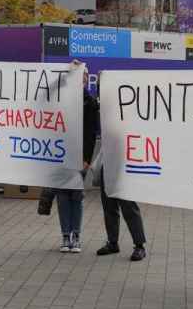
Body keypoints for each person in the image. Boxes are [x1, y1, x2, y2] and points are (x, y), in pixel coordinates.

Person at [94, 83, 148, 262]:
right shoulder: (101, 110)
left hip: (125, 166)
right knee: (109, 206)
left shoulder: (128, 112)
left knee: (128, 206)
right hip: (107, 163)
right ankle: (112, 242)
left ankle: (139, 245)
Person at [54, 76, 97, 253]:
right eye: (76, 79)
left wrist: (87, 158)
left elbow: (91, 133)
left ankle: (76, 235)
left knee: (76, 196)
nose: (80, 82)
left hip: (79, 156)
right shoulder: (61, 98)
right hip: (61, 153)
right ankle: (66, 235)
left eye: (83, 79)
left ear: (87, 82)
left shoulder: (90, 102)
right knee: (62, 196)